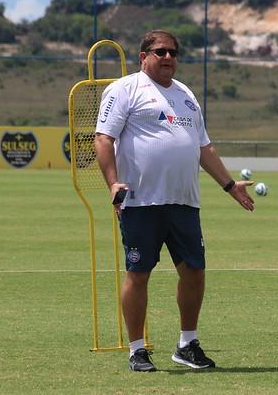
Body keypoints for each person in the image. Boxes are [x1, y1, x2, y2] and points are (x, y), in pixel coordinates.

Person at [94, 29, 255, 372]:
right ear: (144, 56)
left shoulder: (186, 95)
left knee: (195, 272)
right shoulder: (125, 89)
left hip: (184, 202)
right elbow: (104, 139)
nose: (168, 57)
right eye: (160, 51)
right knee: (138, 273)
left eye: (173, 52)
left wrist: (229, 186)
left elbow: (203, 148)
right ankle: (137, 349)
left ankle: (187, 344)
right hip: (140, 202)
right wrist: (112, 183)